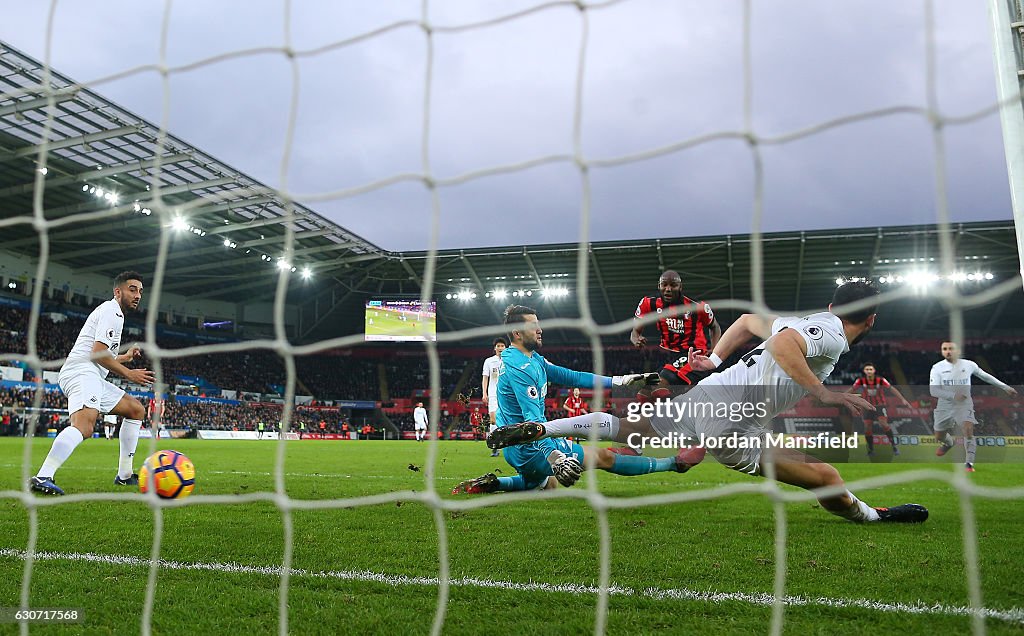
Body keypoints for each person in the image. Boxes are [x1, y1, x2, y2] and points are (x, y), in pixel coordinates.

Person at [488, 282, 928, 523]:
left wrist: (716, 359)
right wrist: (824, 393)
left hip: (711, 396)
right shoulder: (829, 332)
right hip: (734, 419)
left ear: (833, 305)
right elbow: (785, 346)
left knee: (631, 429)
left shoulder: (809, 320)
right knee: (827, 476)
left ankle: (545, 428)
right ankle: (872, 516)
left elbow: (748, 322)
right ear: (871, 318)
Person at [453, 305, 693, 495]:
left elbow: (573, 376)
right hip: (531, 447)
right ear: (517, 333)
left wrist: (619, 381)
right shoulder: (521, 367)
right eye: (534, 325)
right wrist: (555, 458)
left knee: (546, 485)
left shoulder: (532, 359)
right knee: (604, 457)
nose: (540, 330)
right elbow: (532, 421)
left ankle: (498, 484)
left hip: (519, 450)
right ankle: (674, 463)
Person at [30, 271, 155, 496]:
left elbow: (101, 353)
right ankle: (43, 476)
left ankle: (125, 476)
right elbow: (97, 355)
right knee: (84, 426)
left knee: (136, 410)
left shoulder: (115, 314)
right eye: (132, 289)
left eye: (140, 292)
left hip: (92, 374)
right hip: (81, 372)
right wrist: (129, 373)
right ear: (118, 291)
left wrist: (124, 358)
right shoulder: (112, 311)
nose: (137, 295)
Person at [630, 270, 721, 397]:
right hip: (668, 354)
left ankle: (675, 413)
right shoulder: (649, 303)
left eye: (673, 285)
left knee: (658, 388)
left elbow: (714, 326)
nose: (668, 289)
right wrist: (635, 338)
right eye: (664, 285)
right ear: (659, 286)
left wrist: (714, 351)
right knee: (643, 394)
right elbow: (635, 330)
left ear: (680, 287)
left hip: (693, 354)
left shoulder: (697, 306)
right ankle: (658, 416)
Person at [929, 341, 1017, 472]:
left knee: (968, 431)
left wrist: (1005, 387)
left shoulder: (969, 365)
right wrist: (953, 396)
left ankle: (969, 464)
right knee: (939, 436)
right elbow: (934, 391)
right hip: (945, 405)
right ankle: (948, 443)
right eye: (945, 349)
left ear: (958, 351)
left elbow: (985, 377)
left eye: (951, 349)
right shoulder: (937, 368)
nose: (948, 351)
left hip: (964, 404)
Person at [846, 362, 914, 457]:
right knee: (867, 428)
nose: (869, 371)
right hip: (867, 406)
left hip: (880, 406)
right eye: (867, 369)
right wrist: (842, 397)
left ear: (874, 371)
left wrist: (902, 399)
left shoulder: (880, 380)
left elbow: (892, 389)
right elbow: (852, 389)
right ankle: (871, 450)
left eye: (870, 369)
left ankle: (894, 446)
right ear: (864, 371)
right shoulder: (860, 381)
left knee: (884, 424)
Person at [481, 337, 507, 456]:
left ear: (506, 348)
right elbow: (485, 378)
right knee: (493, 419)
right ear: (495, 348)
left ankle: (505, 443)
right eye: (498, 346)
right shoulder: (489, 361)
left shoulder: (509, 361)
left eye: (502, 346)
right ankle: (495, 446)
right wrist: (484, 393)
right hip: (493, 393)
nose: (500, 348)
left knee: (506, 419)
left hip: (507, 394)